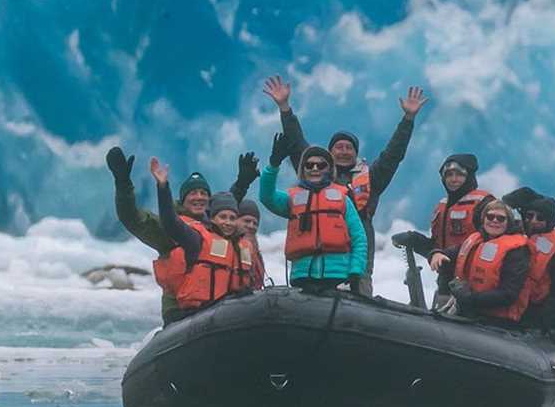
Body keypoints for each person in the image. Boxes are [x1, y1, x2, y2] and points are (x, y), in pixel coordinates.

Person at [261, 76, 428, 296]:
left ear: (356, 153)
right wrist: (285, 109)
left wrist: (407, 119)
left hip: (358, 261)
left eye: (349, 147)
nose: (343, 150)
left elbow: (393, 155)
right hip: (316, 267)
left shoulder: (371, 178)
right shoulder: (315, 174)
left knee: (360, 300)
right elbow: (296, 143)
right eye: (338, 147)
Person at [108, 147, 257, 320]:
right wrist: (123, 182)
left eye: (203, 193)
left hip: (217, 310)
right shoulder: (168, 227)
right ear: (183, 199)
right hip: (180, 312)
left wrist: (242, 183)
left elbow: (226, 208)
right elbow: (131, 218)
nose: (199, 197)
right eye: (193, 193)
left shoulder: (215, 224)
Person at [150, 161, 257, 320]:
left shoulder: (243, 247)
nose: (227, 222)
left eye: (232, 218)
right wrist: (163, 187)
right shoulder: (198, 240)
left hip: (229, 314)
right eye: (222, 217)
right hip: (196, 315)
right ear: (212, 219)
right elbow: (171, 223)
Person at [257, 136, 367, 290]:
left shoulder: (343, 198)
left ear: (329, 169)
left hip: (337, 277)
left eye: (321, 165)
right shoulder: (292, 198)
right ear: (303, 169)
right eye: (309, 165)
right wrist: (273, 165)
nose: (315, 168)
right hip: (302, 276)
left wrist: (356, 270)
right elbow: (266, 197)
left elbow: (359, 238)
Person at [430, 195, 532, 323]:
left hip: (496, 320)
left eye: (501, 218)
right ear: (483, 220)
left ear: (508, 223)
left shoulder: (517, 251)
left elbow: (509, 293)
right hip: (468, 310)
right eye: (490, 216)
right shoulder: (475, 239)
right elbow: (451, 253)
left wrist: (471, 299)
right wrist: (436, 253)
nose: (494, 221)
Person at [501, 189, 555, 331]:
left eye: (540, 218)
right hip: (503, 307)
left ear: (550, 221)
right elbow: (503, 203)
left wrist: (543, 323)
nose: (533, 221)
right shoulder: (512, 236)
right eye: (529, 215)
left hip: (532, 316)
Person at [428, 153, 493, 263]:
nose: (453, 179)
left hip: (473, 273)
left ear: (469, 177)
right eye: (449, 175)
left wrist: (447, 254)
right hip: (447, 272)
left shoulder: (484, 202)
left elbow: (488, 240)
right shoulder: (442, 205)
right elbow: (437, 245)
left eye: (459, 175)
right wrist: (416, 241)